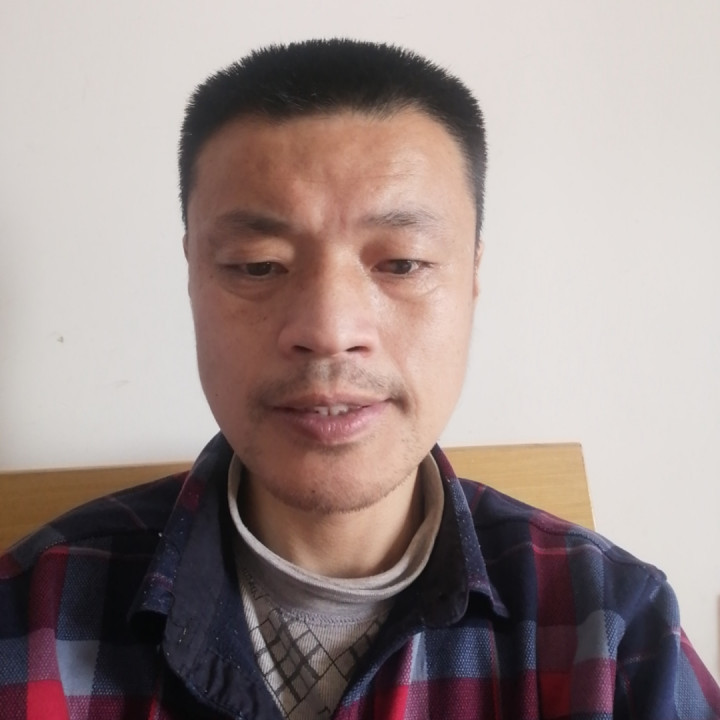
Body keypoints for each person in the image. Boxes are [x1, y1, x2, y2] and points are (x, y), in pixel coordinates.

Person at [0, 38, 718, 720]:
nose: (329, 327)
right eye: (258, 265)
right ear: (192, 273)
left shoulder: (612, 631)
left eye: (401, 263)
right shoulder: (28, 617)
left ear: (472, 276)